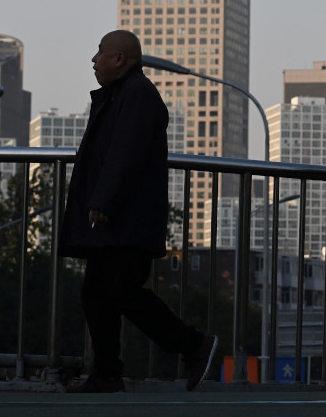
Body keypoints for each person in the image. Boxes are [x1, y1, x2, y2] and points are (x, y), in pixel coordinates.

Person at [59, 30, 217, 393]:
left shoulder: (138, 95)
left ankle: (194, 345)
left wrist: (103, 200)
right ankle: (107, 372)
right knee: (97, 293)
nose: (94, 59)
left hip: (126, 218)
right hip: (119, 219)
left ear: (119, 59)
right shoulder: (123, 94)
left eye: (101, 52)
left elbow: (124, 153)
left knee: (121, 291)